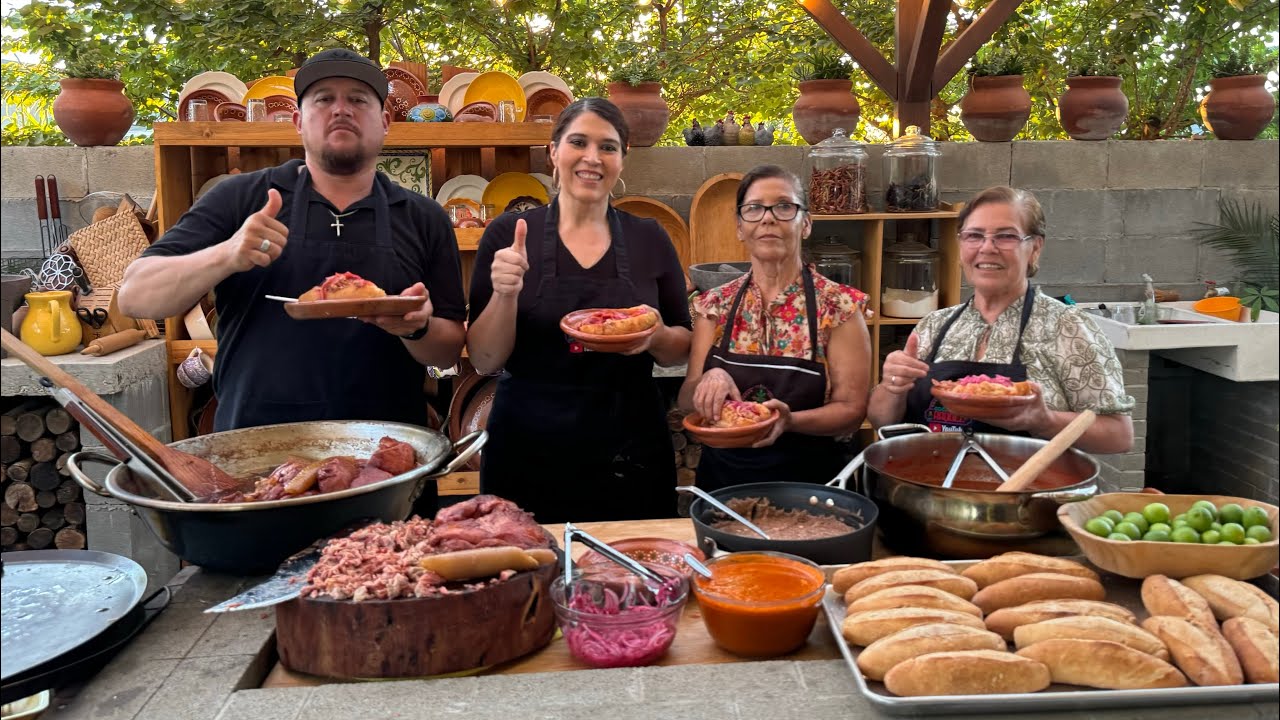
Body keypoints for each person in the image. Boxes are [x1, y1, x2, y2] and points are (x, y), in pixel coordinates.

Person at [118, 48, 467, 436]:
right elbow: (136, 296)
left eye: (357, 99)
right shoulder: (240, 198)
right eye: (324, 99)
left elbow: (447, 349)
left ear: (385, 122)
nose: (341, 109)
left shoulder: (423, 217)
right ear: (298, 121)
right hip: (257, 451)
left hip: (385, 453)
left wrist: (415, 329)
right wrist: (227, 254)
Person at [466, 97, 692, 523]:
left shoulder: (649, 238)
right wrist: (505, 293)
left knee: (631, 575)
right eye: (579, 142)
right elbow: (484, 358)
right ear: (554, 151)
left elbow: (680, 347)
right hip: (529, 444)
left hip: (630, 445)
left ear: (623, 160)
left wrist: (656, 334)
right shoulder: (509, 234)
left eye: (608, 147)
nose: (593, 158)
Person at [867, 185, 1134, 453]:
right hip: (932, 486)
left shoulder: (1067, 327)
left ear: (1035, 247)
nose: (987, 248)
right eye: (974, 235)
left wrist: (1046, 421)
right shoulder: (934, 325)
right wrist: (893, 386)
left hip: (1022, 490)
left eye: (1006, 236)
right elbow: (881, 420)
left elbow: (1119, 435)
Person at [678, 165, 872, 491]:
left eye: (784, 206)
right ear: (740, 227)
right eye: (754, 208)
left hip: (811, 487)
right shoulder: (714, 305)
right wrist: (707, 381)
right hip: (724, 484)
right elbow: (686, 401)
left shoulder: (839, 307)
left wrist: (791, 420)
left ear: (806, 223)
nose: (768, 218)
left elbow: (852, 411)